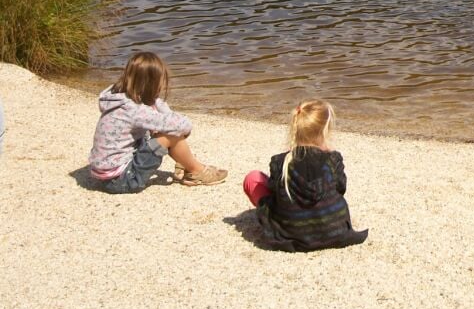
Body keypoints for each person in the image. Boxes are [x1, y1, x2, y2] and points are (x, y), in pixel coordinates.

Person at [88, 52, 227, 192]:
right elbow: (183, 126)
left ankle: (184, 163)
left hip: (104, 175)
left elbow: (163, 118)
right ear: (151, 84)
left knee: (161, 128)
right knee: (170, 134)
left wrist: (156, 105)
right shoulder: (136, 111)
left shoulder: (120, 99)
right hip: (122, 180)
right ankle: (196, 171)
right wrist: (161, 110)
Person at [243, 99, 368, 252]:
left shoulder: (280, 162)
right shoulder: (333, 159)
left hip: (290, 234)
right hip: (335, 232)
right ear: (325, 131)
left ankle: (296, 218)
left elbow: (276, 191)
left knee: (253, 178)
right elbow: (341, 188)